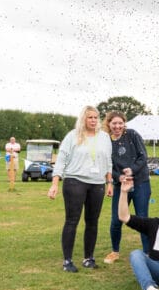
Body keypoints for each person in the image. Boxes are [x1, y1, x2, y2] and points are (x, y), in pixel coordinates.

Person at [48, 106, 113, 272]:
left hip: (97, 183)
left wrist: (109, 182)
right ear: (83, 119)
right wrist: (55, 183)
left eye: (96, 117)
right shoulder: (73, 135)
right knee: (72, 220)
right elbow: (61, 160)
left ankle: (88, 258)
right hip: (75, 181)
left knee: (92, 221)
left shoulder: (105, 137)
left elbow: (108, 162)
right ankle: (67, 261)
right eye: (90, 117)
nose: (93, 120)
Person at [103, 111, 151, 265]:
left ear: (124, 123)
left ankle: (147, 253)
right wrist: (119, 177)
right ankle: (115, 251)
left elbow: (143, 156)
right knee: (116, 219)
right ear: (108, 124)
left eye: (120, 123)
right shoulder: (105, 141)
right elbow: (107, 165)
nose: (117, 126)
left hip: (140, 182)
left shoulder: (132, 135)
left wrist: (132, 170)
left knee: (142, 218)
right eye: (114, 123)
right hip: (120, 185)